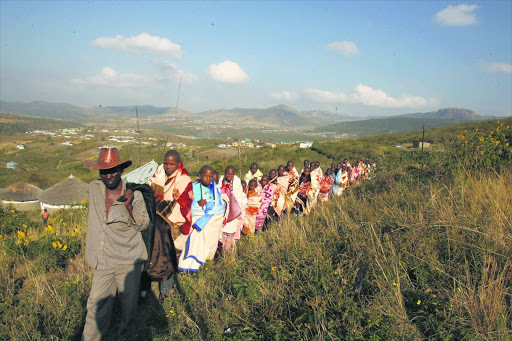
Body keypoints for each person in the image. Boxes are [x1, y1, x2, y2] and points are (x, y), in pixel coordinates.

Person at [82, 147, 150, 340]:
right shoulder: (94, 188)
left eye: (113, 170)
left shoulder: (134, 195)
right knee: (96, 304)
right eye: (104, 171)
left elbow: (143, 224)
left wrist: (128, 206)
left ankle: (124, 336)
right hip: (102, 259)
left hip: (128, 260)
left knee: (128, 308)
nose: (109, 175)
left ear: (121, 170)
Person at [142, 150, 193, 301]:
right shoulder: (158, 172)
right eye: (166, 163)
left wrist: (156, 204)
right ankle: (146, 288)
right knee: (152, 254)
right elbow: (148, 189)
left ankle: (166, 291)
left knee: (168, 258)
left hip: (173, 226)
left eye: (172, 164)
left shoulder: (184, 179)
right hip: (157, 224)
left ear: (178, 163)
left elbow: (183, 205)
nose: (168, 166)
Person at [178, 165, 228, 272]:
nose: (208, 179)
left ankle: (204, 268)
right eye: (206, 176)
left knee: (208, 248)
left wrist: (215, 209)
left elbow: (219, 205)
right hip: (198, 223)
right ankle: (190, 269)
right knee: (195, 246)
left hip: (212, 226)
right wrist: (197, 204)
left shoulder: (214, 188)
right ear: (200, 175)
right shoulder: (193, 188)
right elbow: (186, 205)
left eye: (210, 177)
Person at [218, 165, 246, 252]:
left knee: (230, 231)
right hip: (223, 209)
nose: (229, 176)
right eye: (228, 173)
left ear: (234, 174)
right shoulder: (221, 179)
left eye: (231, 174)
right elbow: (219, 191)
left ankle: (228, 252)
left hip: (233, 209)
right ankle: (220, 250)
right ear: (224, 173)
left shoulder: (237, 181)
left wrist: (231, 200)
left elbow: (238, 196)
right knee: (221, 231)